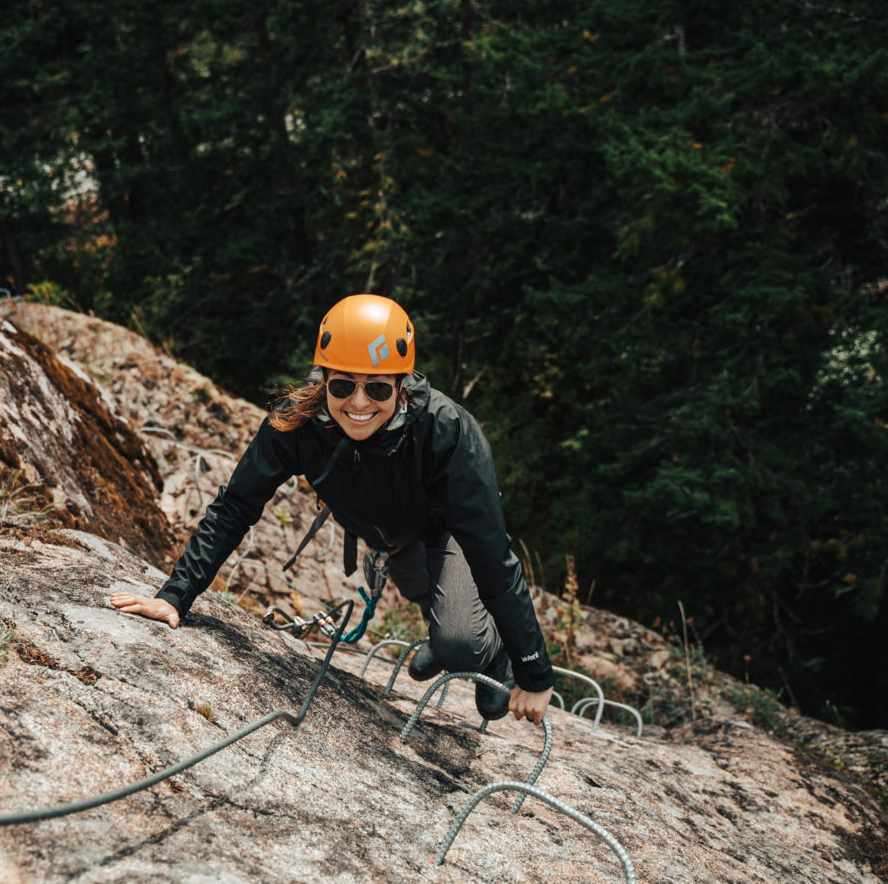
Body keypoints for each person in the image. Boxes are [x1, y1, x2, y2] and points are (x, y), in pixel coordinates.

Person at [110, 294, 555, 725]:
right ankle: (445, 627)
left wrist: (533, 671)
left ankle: (485, 649)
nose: (358, 404)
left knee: (462, 640)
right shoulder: (297, 423)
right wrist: (174, 596)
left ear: (402, 383)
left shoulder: (447, 430)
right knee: (433, 602)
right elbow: (235, 507)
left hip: (446, 531)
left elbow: (492, 555)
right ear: (322, 378)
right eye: (342, 386)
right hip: (392, 543)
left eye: (377, 388)